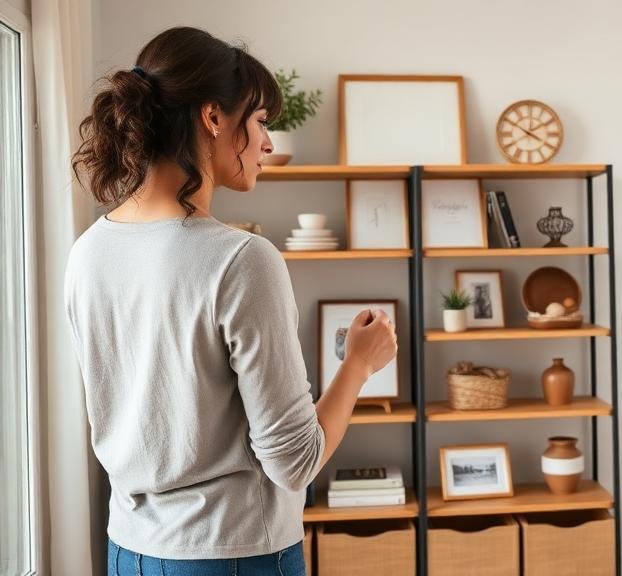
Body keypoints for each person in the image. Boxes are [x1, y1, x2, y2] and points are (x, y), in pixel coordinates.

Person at [64, 26, 397, 575]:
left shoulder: (88, 251)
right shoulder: (242, 260)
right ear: (213, 117)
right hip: (233, 554)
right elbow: (295, 462)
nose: (268, 143)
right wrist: (359, 364)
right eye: (261, 121)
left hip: (128, 550)